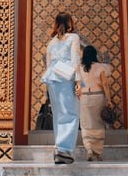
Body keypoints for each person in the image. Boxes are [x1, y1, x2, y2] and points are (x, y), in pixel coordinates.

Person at [41, 12, 82, 164]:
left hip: (52, 78)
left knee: (59, 115)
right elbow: (75, 59)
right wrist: (78, 81)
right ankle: (64, 150)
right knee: (71, 113)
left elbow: (48, 63)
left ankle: (60, 148)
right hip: (66, 77)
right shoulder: (74, 38)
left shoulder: (51, 42)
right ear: (70, 22)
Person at [79, 45, 112, 161]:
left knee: (86, 124)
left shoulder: (80, 68)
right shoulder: (100, 67)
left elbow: (77, 86)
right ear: (94, 55)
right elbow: (105, 85)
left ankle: (89, 149)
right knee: (98, 124)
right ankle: (98, 152)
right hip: (97, 97)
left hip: (84, 98)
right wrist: (109, 100)